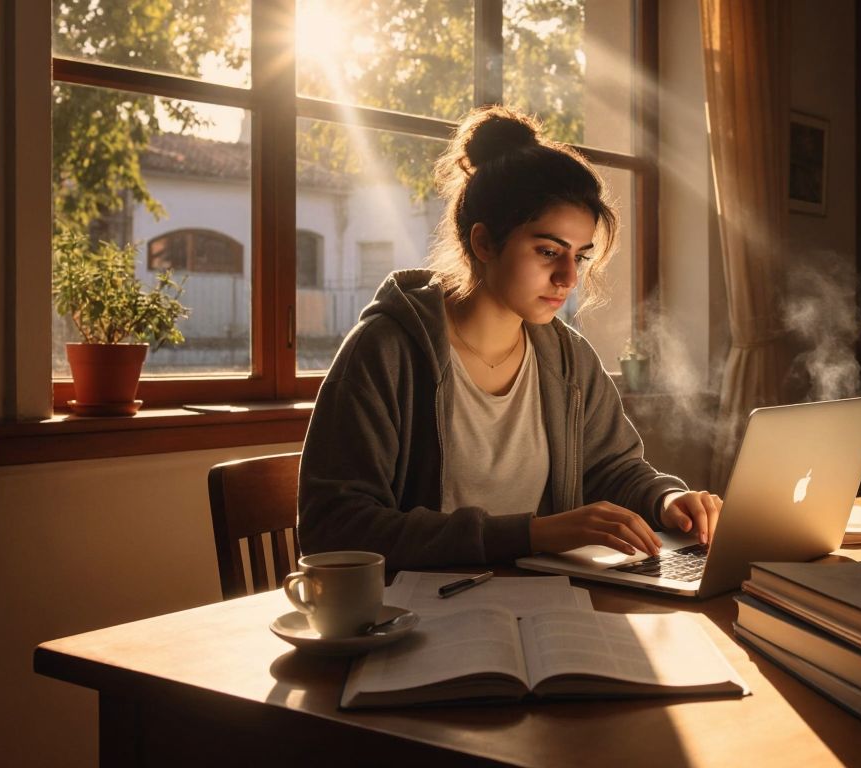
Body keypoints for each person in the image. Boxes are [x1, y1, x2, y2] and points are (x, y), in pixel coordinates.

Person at [298, 106, 722, 570]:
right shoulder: (386, 352)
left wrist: (666, 500)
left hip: (549, 608)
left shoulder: (568, 359)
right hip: (419, 620)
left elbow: (611, 469)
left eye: (579, 257)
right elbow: (333, 529)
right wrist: (530, 534)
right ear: (483, 243)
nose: (567, 278)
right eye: (547, 251)